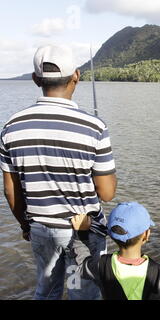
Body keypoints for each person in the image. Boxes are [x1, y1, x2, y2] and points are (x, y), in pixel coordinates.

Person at [0, 45, 117, 299]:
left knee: (46, 291)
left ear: (35, 79)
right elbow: (107, 193)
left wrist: (25, 224)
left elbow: (11, 188)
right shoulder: (94, 127)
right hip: (83, 231)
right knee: (83, 293)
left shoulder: (11, 126)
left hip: (41, 229)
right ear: (76, 75)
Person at [71, 202, 160, 300]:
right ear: (146, 235)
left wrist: (81, 233)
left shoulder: (101, 265)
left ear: (111, 235)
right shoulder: (158, 271)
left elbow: (80, 265)